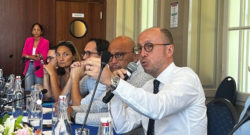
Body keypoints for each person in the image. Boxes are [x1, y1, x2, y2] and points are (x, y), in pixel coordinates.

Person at [84, 28, 207, 135]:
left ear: (169, 50)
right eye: (140, 48)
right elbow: (123, 125)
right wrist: (112, 88)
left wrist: (113, 81)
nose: (142, 54)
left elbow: (158, 108)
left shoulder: (186, 77)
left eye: (149, 47)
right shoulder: (150, 86)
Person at [69, 36, 152, 130]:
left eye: (119, 55)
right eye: (111, 56)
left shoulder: (143, 76)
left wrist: (74, 116)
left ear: (135, 55)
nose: (113, 61)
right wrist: (71, 109)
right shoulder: (120, 72)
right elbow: (100, 106)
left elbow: (118, 117)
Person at [70, 38, 110, 106]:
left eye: (88, 53)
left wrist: (75, 79)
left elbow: (79, 106)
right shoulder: (90, 74)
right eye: (84, 53)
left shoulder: (106, 77)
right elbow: (68, 100)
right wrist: (73, 73)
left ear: (102, 56)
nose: (84, 57)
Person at [22, 23, 49, 91]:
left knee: (39, 90)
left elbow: (44, 57)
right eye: (34, 29)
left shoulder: (45, 42)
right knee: (28, 89)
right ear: (32, 31)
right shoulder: (28, 40)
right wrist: (34, 56)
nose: (36, 31)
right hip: (29, 66)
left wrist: (28, 56)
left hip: (39, 67)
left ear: (41, 32)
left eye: (38, 30)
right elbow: (23, 54)